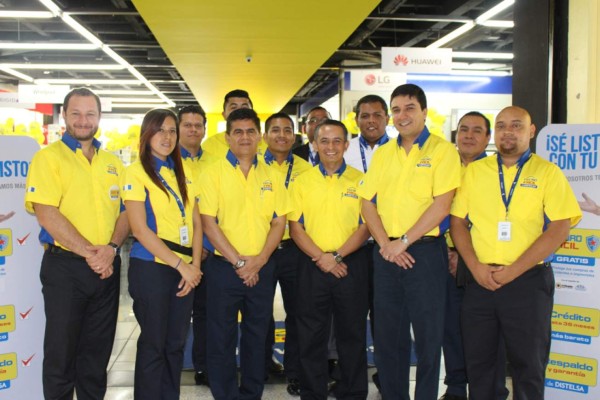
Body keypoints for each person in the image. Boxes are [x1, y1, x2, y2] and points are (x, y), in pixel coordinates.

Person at [450, 106, 582, 399]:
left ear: (531, 131)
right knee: (480, 365)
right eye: (501, 126)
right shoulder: (475, 172)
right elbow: (458, 222)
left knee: (528, 366)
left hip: (527, 282)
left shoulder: (548, 173)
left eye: (516, 125)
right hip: (481, 282)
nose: (507, 132)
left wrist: (513, 271)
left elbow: (560, 227)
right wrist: (475, 267)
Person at [24, 87, 129, 400]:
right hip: (66, 269)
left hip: (107, 267)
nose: (83, 120)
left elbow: (126, 212)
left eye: (90, 114)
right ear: (64, 117)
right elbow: (46, 212)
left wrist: (111, 249)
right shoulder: (48, 158)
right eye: (76, 114)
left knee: (96, 357)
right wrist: (92, 254)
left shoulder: (113, 163)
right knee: (61, 355)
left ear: (99, 117)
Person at [358, 83, 460, 400]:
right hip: (386, 255)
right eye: (397, 110)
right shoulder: (384, 153)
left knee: (429, 338)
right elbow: (366, 203)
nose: (402, 116)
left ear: (424, 112)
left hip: (424, 254)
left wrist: (402, 242)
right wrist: (386, 245)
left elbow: (442, 205)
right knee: (388, 337)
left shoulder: (442, 151)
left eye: (410, 108)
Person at [198, 108, 290, 400]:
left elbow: (279, 222)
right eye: (238, 132)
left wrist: (259, 261)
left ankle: (252, 393)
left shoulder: (273, 175)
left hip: (262, 267)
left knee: (257, 334)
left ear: (260, 137)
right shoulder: (211, 173)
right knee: (221, 336)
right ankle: (225, 394)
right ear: (227, 138)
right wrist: (239, 262)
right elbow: (208, 223)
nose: (245, 137)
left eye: (250, 131)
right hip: (224, 268)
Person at [122, 108, 202, 400]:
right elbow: (140, 230)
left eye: (171, 131)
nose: (166, 137)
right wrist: (182, 266)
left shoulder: (183, 171)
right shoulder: (135, 173)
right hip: (152, 268)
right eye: (160, 130)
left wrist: (194, 267)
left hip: (185, 269)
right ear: (147, 134)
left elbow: (196, 222)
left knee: (175, 344)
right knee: (154, 344)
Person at [290, 119, 370, 400]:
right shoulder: (302, 181)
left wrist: (336, 256)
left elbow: (366, 226)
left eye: (337, 141)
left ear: (346, 145)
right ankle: (313, 392)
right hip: (312, 264)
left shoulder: (361, 180)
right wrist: (322, 258)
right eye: (324, 141)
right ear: (314, 144)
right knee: (311, 334)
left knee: (352, 333)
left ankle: (353, 392)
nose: (331, 146)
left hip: (351, 263)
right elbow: (295, 228)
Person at [440, 111, 509, 400]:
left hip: (479, 262)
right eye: (463, 129)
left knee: (487, 333)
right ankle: (456, 387)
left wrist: (463, 254)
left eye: (477, 131)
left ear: (488, 137)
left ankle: (491, 391)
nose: (468, 136)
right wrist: (447, 250)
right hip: (442, 257)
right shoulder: (445, 167)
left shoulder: (498, 171)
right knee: (450, 326)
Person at [262, 112, 312, 395]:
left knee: (298, 312)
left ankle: (295, 372)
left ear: (295, 136)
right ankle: (261, 366)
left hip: (295, 250)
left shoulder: (306, 169)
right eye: (275, 130)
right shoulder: (254, 166)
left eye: (287, 130)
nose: (281, 135)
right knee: (260, 312)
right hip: (263, 249)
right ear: (265, 136)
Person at [344, 94, 390, 390]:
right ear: (356, 119)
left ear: (387, 118)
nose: (370, 121)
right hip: (354, 248)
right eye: (364, 115)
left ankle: (387, 377)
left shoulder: (401, 151)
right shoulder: (344, 150)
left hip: (390, 248)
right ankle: (351, 380)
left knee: (387, 318)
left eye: (377, 115)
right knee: (351, 317)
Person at [176, 104, 212, 386]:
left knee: (207, 313)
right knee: (173, 317)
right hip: (173, 255)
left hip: (210, 252)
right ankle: (170, 370)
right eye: (187, 125)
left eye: (198, 125)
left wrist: (206, 246)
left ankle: (204, 366)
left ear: (204, 129)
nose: (193, 130)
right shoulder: (165, 160)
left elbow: (220, 210)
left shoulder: (216, 163)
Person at [201, 89, 269, 165]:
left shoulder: (267, 144)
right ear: (224, 115)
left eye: (244, 107)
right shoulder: (209, 145)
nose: (239, 111)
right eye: (233, 108)